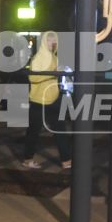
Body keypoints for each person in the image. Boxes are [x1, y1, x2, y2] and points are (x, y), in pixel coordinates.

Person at [17, 30, 72, 170]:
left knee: (60, 130)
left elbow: (55, 74)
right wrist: (51, 74)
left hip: (53, 99)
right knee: (34, 131)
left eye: (54, 40)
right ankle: (27, 159)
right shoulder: (38, 58)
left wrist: (60, 72)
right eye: (49, 40)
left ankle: (66, 160)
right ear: (43, 42)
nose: (52, 43)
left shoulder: (54, 58)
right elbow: (33, 78)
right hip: (38, 100)